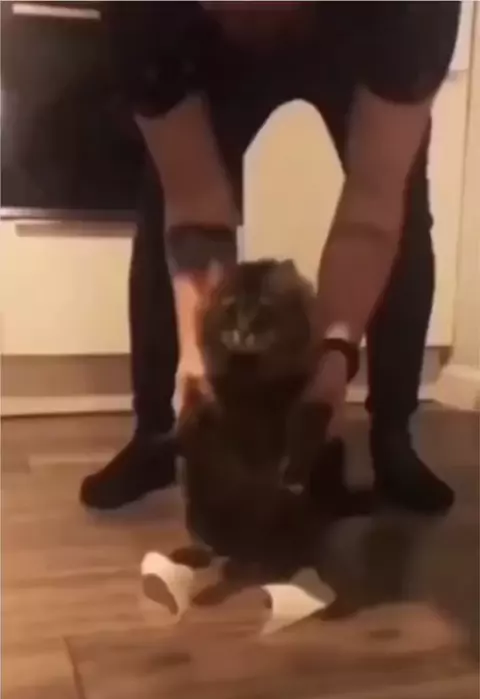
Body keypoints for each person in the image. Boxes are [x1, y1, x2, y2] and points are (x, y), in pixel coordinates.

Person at [81, 1, 460, 514]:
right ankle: (159, 435)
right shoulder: (144, 13)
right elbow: (196, 203)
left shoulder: (411, 13)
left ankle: (393, 440)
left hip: (359, 40)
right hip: (200, 52)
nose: (248, 19)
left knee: (402, 207)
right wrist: (198, 358)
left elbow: (371, 210)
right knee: (161, 201)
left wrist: (334, 358)